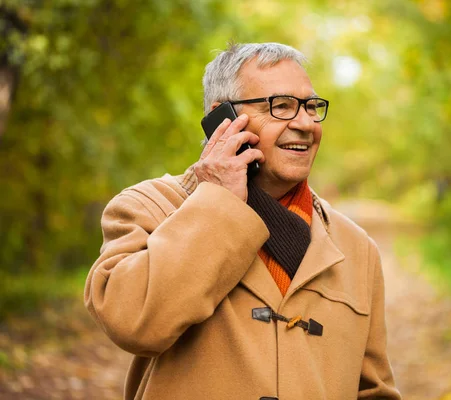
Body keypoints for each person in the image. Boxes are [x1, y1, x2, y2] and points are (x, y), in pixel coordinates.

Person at [84, 42, 402, 400]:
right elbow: (133, 324)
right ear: (224, 117)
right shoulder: (148, 207)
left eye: (311, 106)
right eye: (281, 106)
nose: (305, 123)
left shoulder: (357, 248)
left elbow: (374, 392)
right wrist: (218, 202)